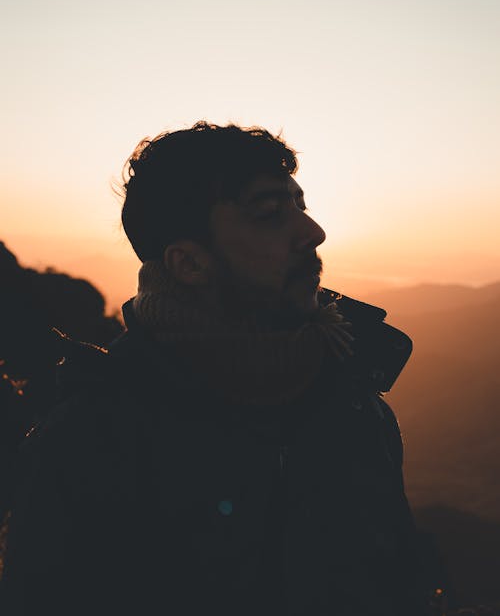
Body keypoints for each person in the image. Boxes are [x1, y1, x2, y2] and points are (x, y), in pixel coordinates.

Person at [2, 122, 426, 615]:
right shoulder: (89, 443)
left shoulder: (356, 410)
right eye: (269, 213)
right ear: (189, 264)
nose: (314, 232)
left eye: (301, 207)